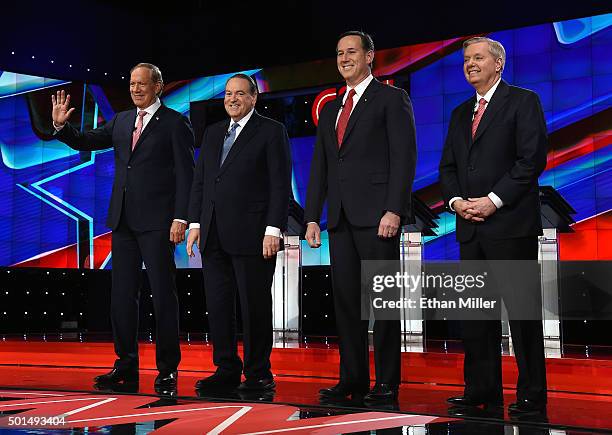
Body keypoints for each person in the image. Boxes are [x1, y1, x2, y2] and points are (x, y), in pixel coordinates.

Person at [51, 63, 195, 391]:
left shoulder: (175, 123)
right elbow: (87, 140)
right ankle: (126, 365)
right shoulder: (121, 120)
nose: (135, 89)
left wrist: (181, 217)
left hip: (159, 223)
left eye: (142, 83)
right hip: (123, 221)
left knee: (163, 296)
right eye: (132, 83)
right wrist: (63, 127)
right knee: (121, 297)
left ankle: (167, 370)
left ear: (158, 86)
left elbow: (187, 174)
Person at [304, 31, 417, 402]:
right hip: (339, 219)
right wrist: (311, 217)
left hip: (378, 217)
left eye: (352, 51)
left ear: (370, 56)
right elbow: (320, 166)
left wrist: (394, 209)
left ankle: (386, 383)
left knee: (383, 302)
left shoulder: (391, 98)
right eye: (339, 53)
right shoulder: (332, 108)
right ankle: (351, 379)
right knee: (347, 303)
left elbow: (404, 157)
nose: (344, 58)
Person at [439, 37, 548, 415]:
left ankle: (532, 397)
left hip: (511, 225)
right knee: (476, 316)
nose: (470, 63)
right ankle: (481, 391)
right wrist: (456, 202)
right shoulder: (457, 114)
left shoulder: (523, 101)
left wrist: (493, 200)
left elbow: (531, 160)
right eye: (466, 59)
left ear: (498, 63)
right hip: (469, 228)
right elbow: (448, 169)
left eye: (478, 57)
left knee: (522, 316)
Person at [186, 73, 291, 392]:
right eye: (228, 93)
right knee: (219, 305)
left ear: (254, 97)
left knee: (254, 306)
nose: (232, 98)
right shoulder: (214, 132)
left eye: (240, 94)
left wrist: (274, 228)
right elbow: (201, 182)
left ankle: (259, 372)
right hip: (213, 233)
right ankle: (226, 368)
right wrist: (194, 223)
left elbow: (279, 182)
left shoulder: (272, 131)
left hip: (254, 234)